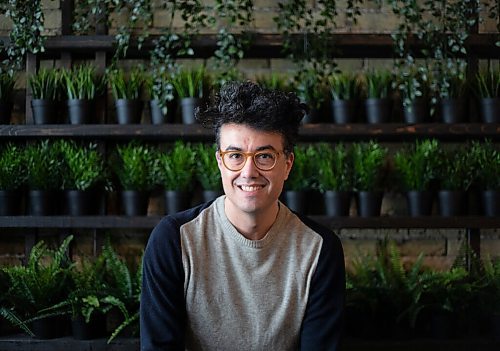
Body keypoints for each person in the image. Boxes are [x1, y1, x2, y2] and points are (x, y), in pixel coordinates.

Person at [140, 81, 345, 350]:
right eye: (235, 155)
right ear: (219, 162)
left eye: (264, 156)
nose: (248, 172)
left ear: (288, 164)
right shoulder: (175, 240)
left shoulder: (318, 249)